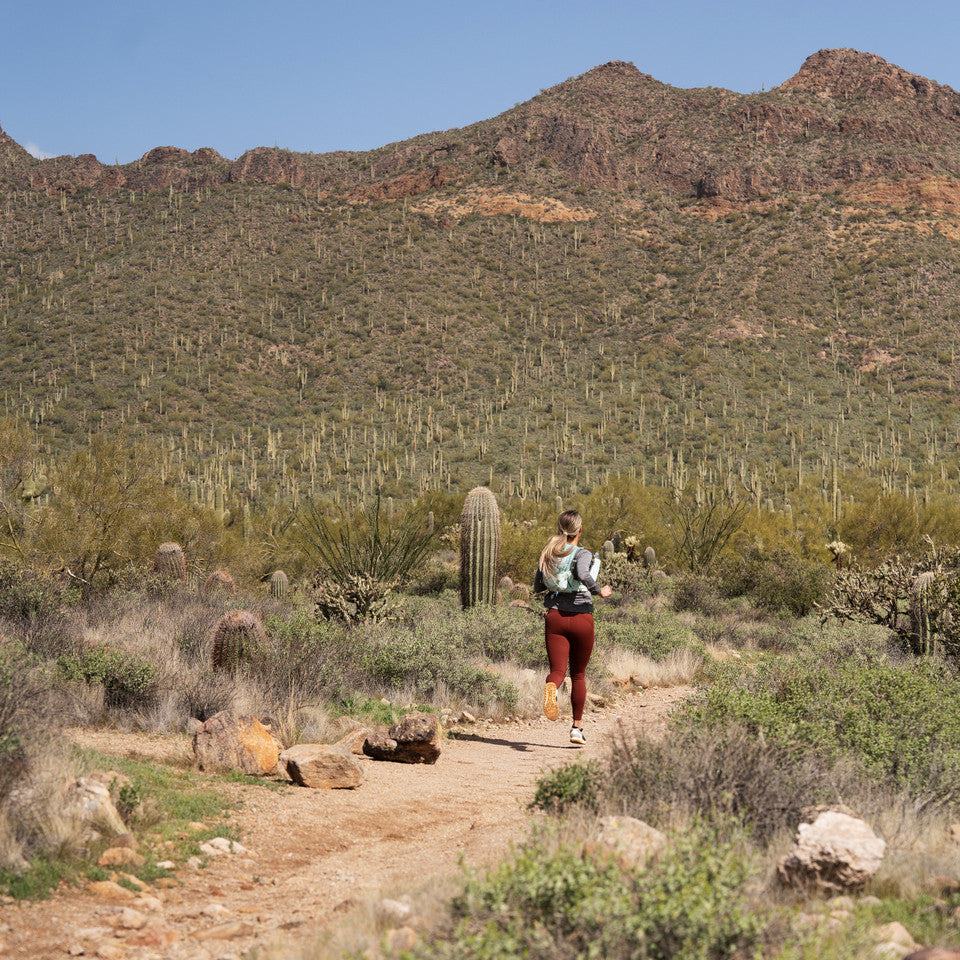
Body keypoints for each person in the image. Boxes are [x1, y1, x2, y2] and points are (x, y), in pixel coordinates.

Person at [533, 510, 612, 745]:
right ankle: (577, 729)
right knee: (578, 675)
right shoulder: (582, 553)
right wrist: (600, 591)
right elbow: (582, 574)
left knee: (558, 671)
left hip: (555, 617)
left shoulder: (548, 553)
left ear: (561, 529)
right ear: (579, 530)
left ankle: (552, 687)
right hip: (581, 619)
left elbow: (537, 585)